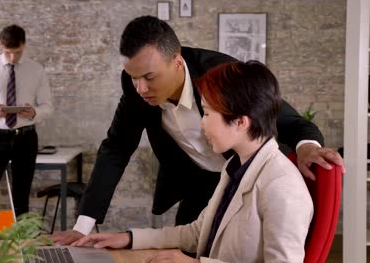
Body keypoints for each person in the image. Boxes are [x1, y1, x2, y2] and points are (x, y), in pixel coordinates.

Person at [52, 15, 344, 245]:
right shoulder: (136, 86)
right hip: (198, 184)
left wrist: (307, 146)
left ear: (177, 63)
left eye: (149, 77)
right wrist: (84, 226)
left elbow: (294, 122)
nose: (140, 88)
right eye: (133, 78)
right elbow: (116, 148)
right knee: (182, 246)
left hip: (249, 180)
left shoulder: (222, 75)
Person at [72, 60, 314, 263]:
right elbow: (198, 233)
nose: (201, 123)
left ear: (241, 122)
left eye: (208, 114)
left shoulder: (282, 186)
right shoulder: (235, 168)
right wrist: (128, 238)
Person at [0, 24, 53, 239]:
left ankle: (21, 248)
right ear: (0, 45)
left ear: (24, 45)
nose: (13, 57)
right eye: (8, 52)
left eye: (17, 52)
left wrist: (34, 112)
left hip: (25, 138)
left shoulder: (36, 70)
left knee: (21, 197)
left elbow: (47, 106)